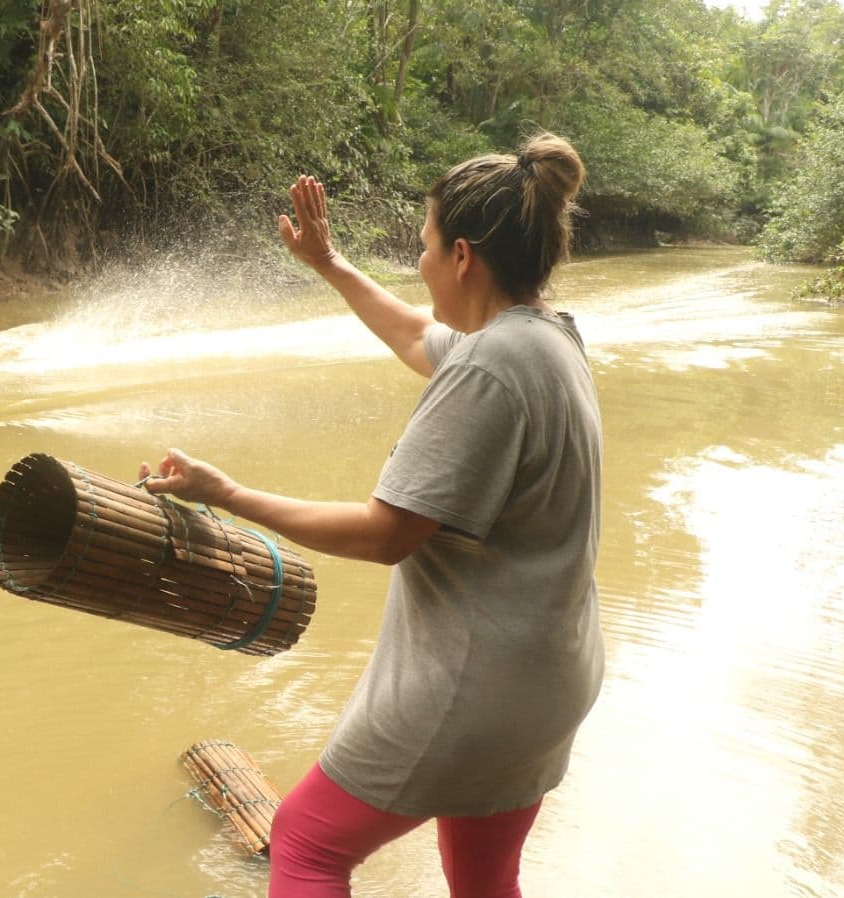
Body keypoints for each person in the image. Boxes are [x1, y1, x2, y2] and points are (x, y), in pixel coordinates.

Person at [140, 132, 602, 898]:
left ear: (461, 256)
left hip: (474, 688)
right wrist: (328, 264)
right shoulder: (548, 338)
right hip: (550, 681)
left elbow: (385, 534)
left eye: (421, 247)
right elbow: (417, 335)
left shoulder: (491, 368)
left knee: (307, 845)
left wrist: (226, 494)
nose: (418, 267)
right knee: (484, 878)